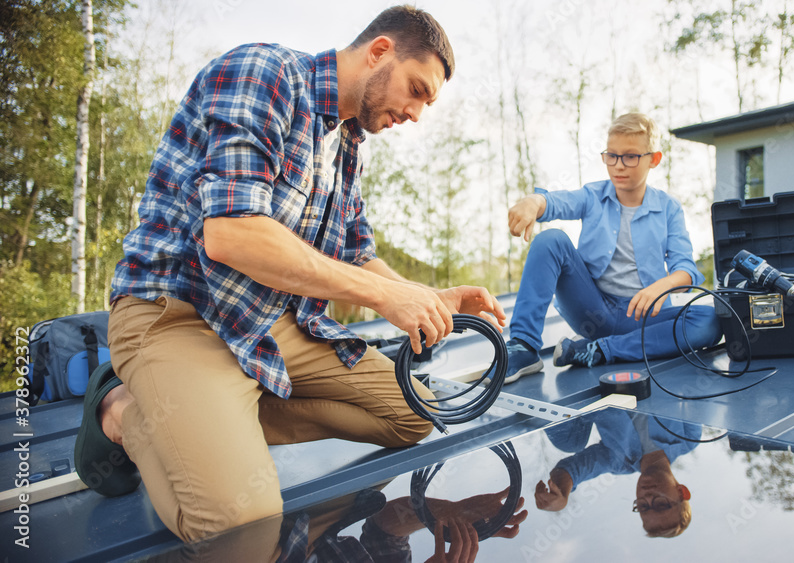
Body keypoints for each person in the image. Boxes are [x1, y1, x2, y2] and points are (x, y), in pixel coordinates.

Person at [74, 5, 506, 543]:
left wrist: (423, 296)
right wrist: (380, 297)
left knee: (417, 413)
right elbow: (232, 233)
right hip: (181, 316)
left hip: (270, 325)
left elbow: (355, 253)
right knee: (241, 528)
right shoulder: (265, 75)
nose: (417, 114)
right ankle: (125, 409)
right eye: (417, 90)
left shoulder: (347, 145)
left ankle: (210, 415)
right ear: (379, 53)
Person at [503, 112, 721, 382]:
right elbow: (558, 202)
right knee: (551, 240)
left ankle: (598, 351)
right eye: (611, 156)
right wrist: (535, 201)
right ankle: (524, 346)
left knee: (710, 320)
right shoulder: (593, 196)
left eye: (630, 156)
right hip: (594, 311)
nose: (618, 166)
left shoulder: (668, 208)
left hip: (642, 319)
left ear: (653, 159)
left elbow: (685, 269)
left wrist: (661, 286)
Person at [534, 410, 701, 538]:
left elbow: (572, 469)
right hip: (647, 368)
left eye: (643, 506)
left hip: (600, 378)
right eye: (661, 505)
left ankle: (525, 373)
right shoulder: (688, 438)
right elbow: (695, 390)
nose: (648, 497)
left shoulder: (617, 460)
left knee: (571, 442)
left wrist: (562, 493)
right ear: (681, 492)